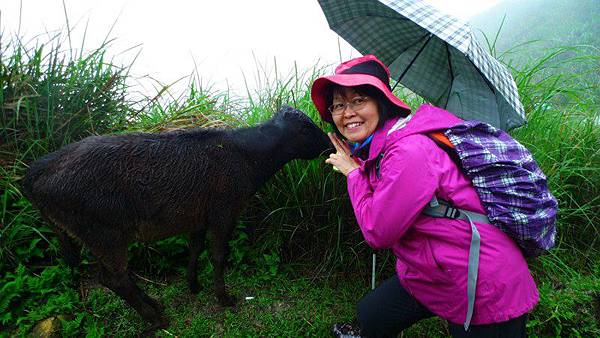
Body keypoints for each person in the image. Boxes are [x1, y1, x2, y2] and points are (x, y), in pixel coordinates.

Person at [310, 54, 538, 338]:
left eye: (359, 101)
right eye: (338, 105)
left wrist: (354, 174)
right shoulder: (385, 145)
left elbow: (377, 232)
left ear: (381, 101)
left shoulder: (408, 150)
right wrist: (362, 165)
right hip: (430, 272)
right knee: (372, 315)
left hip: (481, 282)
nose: (347, 113)